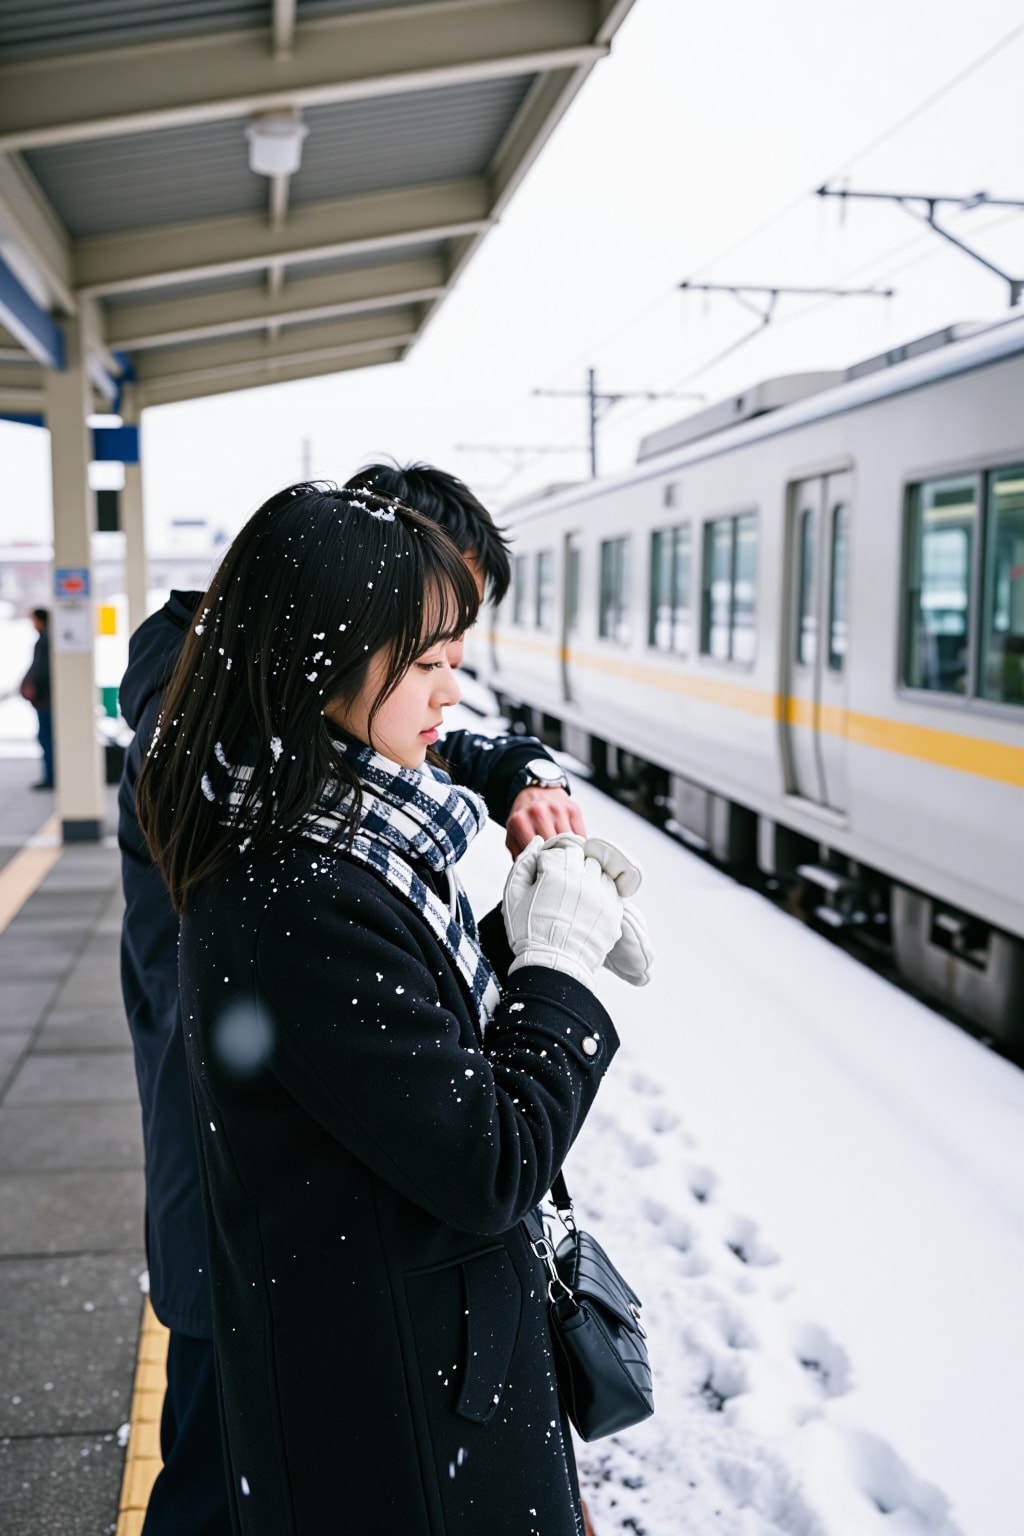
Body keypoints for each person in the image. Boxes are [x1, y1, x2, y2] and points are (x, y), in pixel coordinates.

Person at [135, 483, 648, 1535]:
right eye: (427, 665)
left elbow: (399, 1039)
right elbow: (490, 1161)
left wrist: (519, 929)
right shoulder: (298, 889)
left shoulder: (326, 838)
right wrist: (556, 970)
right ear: (326, 663)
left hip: (404, 1365)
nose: (450, 698)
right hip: (409, 1404)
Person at [21, 607, 53, 789]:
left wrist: (37, 693)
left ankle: (50, 777)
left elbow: (41, 673)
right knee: (47, 738)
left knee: (46, 738)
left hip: (45, 701)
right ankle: (51, 775)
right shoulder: (48, 639)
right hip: (47, 699)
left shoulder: (44, 641)